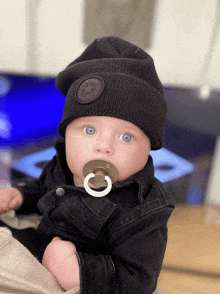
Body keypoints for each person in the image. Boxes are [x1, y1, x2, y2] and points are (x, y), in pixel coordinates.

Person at [0, 36, 175, 293]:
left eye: (126, 137)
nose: (103, 146)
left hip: (88, 281)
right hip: (42, 247)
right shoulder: (62, 166)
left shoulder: (145, 209)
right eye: (89, 130)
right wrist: (19, 195)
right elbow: (42, 191)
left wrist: (77, 270)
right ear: (66, 134)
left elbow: (139, 279)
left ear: (149, 148)